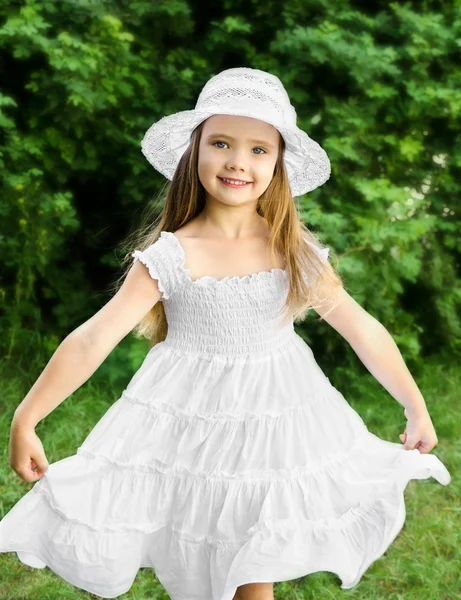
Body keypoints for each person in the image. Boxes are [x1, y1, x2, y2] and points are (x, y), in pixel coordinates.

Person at [0, 67, 451, 600]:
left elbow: (362, 330)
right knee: (203, 561)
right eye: (221, 143)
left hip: (272, 418)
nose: (239, 160)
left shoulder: (293, 252)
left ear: (278, 163)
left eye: (260, 149)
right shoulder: (171, 254)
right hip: (190, 423)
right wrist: (26, 417)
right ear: (195, 153)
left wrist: (414, 405)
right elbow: (94, 339)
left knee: (251, 560)